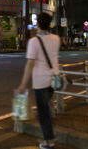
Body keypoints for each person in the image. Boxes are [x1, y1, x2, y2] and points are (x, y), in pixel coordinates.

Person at [18, 13, 60, 149]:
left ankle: (49, 141)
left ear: (38, 25)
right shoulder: (56, 39)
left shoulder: (33, 42)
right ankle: (48, 135)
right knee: (48, 108)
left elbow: (30, 64)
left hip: (40, 81)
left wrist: (23, 84)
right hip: (53, 80)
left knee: (43, 112)